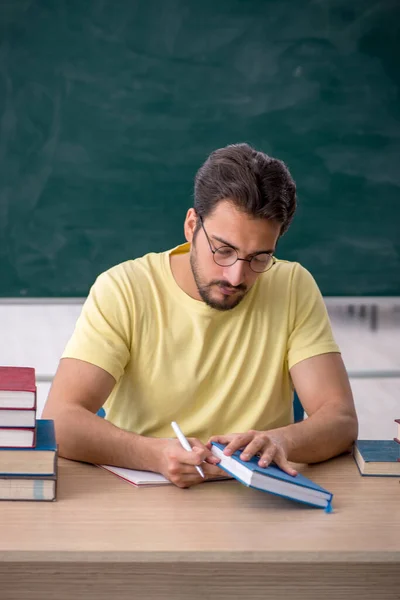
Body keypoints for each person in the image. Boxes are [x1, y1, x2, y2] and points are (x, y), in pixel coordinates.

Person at [43, 143, 358, 488]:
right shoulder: (124, 289)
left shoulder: (293, 284)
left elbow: (339, 418)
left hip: (261, 500)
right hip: (145, 496)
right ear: (192, 225)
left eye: (259, 258)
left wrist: (282, 441)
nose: (236, 277)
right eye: (223, 251)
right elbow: (61, 419)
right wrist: (154, 455)